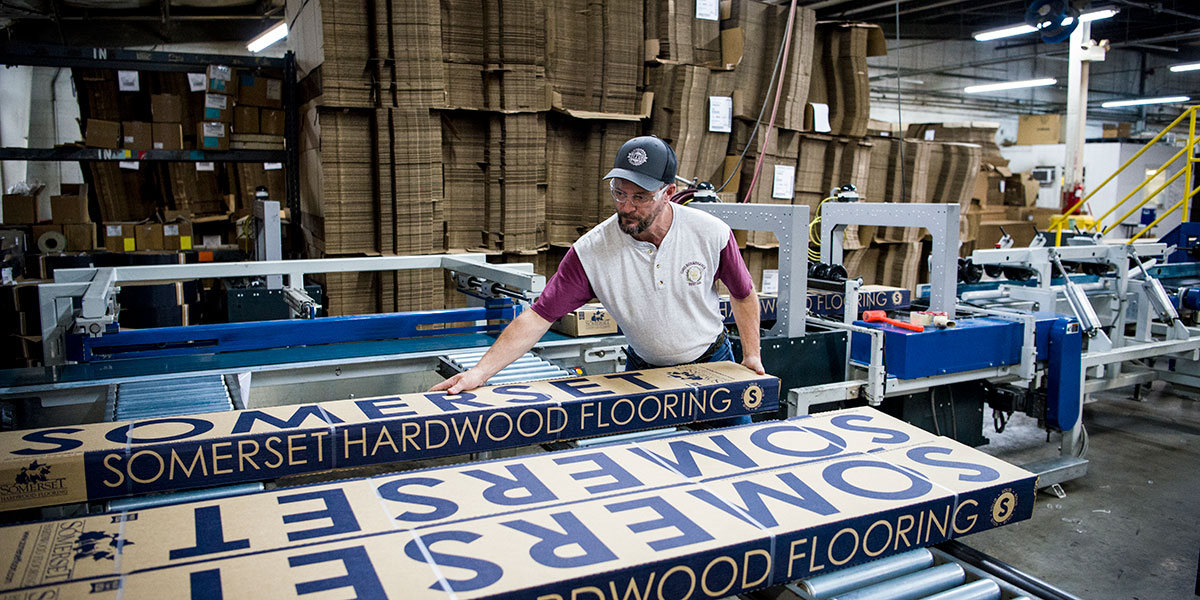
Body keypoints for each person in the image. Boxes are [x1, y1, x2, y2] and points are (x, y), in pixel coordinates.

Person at [432, 135, 764, 397]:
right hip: (643, 371)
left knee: (731, 444)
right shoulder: (592, 251)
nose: (627, 207)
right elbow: (538, 316)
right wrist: (480, 372)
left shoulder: (710, 233)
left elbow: (743, 294)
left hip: (713, 362)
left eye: (640, 197)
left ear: (669, 193)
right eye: (619, 194)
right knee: (646, 463)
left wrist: (751, 355)